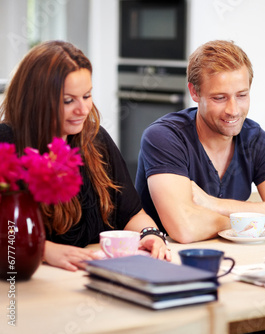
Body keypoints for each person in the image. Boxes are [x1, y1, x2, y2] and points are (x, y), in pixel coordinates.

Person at [0, 40, 171, 272]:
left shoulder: (95, 139)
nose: (83, 110)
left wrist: (150, 234)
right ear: (36, 101)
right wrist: (44, 250)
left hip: (88, 275)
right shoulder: (6, 145)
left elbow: (131, 213)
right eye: (68, 101)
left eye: (87, 96)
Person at [136, 40, 265, 244]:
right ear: (194, 92)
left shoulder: (254, 139)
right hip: (166, 261)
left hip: (232, 256)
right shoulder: (164, 137)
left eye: (242, 95)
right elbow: (184, 229)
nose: (233, 110)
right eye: (220, 98)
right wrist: (243, 224)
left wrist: (213, 204)